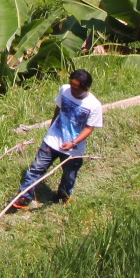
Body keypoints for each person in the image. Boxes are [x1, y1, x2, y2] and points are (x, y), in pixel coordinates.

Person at [10, 69, 102, 211]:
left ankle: (62, 197)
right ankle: (24, 197)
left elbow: (89, 128)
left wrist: (74, 143)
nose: (72, 89)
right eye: (71, 85)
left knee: (69, 175)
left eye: (75, 88)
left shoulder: (93, 105)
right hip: (52, 139)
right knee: (36, 169)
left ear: (86, 88)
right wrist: (52, 126)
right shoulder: (64, 90)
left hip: (73, 148)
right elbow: (58, 108)